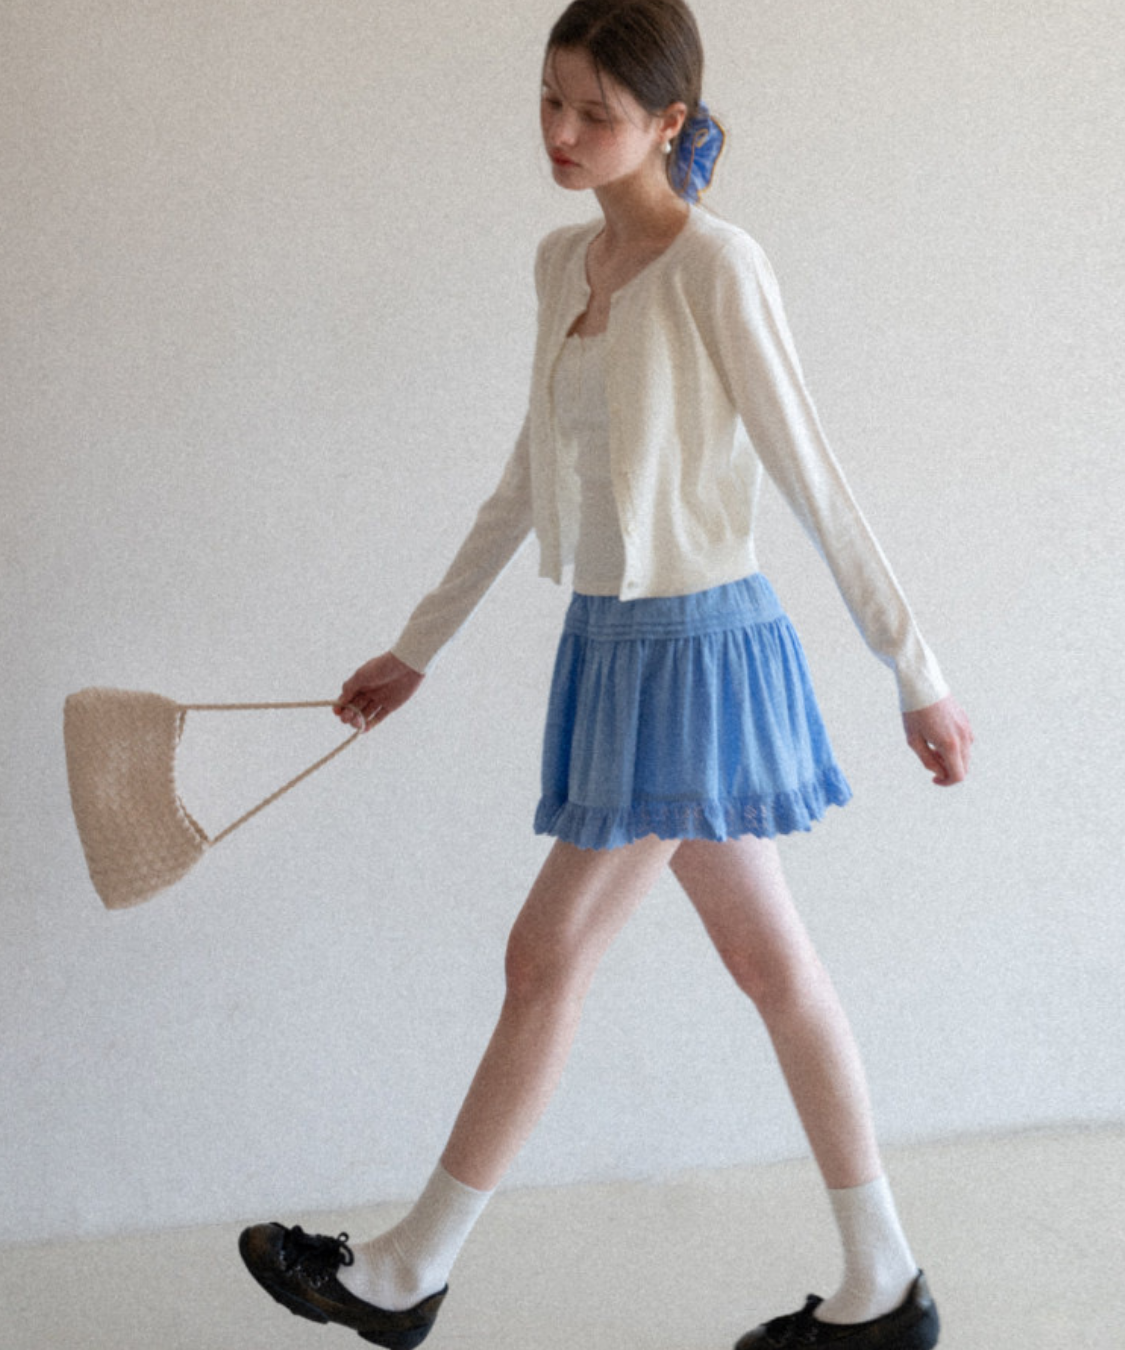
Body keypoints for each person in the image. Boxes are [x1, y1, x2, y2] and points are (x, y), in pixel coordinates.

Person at [238, 2, 973, 1347]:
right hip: (612, 649)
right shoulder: (561, 263)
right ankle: (885, 1284)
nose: (562, 133)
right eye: (549, 101)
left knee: (549, 953)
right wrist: (416, 647)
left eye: (596, 112)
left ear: (668, 123)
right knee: (770, 965)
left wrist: (913, 671)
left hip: (698, 655)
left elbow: (814, 477)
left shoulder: (718, 267)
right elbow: (528, 477)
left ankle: (405, 1273)